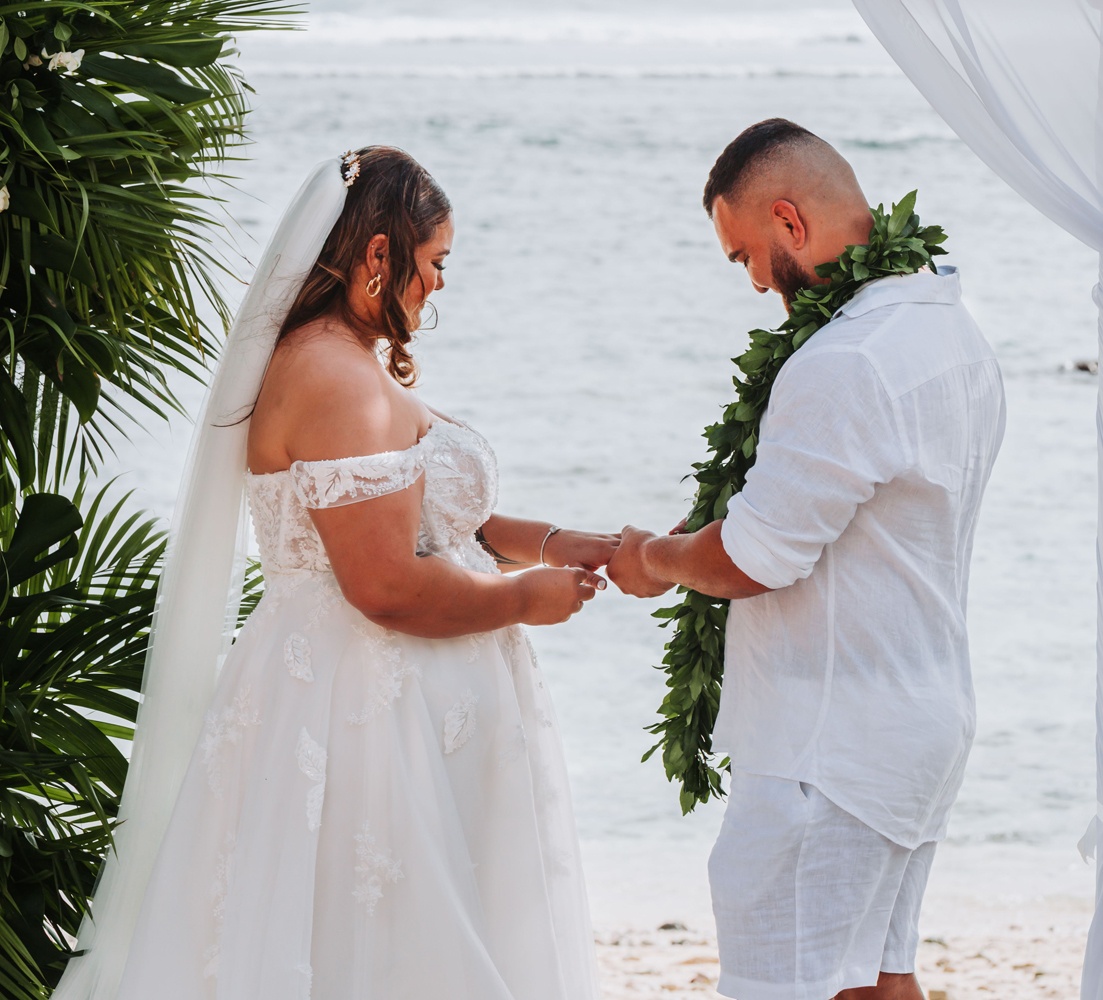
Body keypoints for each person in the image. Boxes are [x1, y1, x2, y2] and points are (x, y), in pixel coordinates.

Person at [76, 148, 612, 999]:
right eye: (435, 261)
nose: (439, 284)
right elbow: (385, 584)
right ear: (378, 254)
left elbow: (432, 517)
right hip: (366, 711)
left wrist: (557, 543)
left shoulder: (333, 358)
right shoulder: (336, 381)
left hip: (372, 697)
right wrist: (522, 599)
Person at [607, 119, 1007, 1000]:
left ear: (789, 221)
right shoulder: (949, 324)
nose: (755, 282)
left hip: (827, 748)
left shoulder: (847, 360)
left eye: (746, 255)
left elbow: (751, 559)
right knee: (877, 983)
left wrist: (657, 558)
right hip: (919, 723)